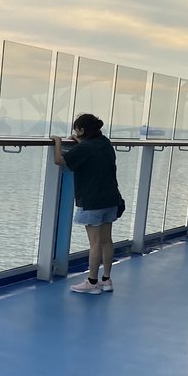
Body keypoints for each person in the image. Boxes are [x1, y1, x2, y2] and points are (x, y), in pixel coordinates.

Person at [53, 112, 122, 294]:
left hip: (92, 200)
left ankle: (92, 282)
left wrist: (57, 141)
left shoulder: (84, 148)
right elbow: (90, 150)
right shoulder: (104, 142)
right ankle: (106, 280)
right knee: (107, 241)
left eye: (76, 129)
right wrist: (79, 141)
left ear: (81, 130)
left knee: (95, 243)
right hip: (111, 198)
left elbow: (60, 160)